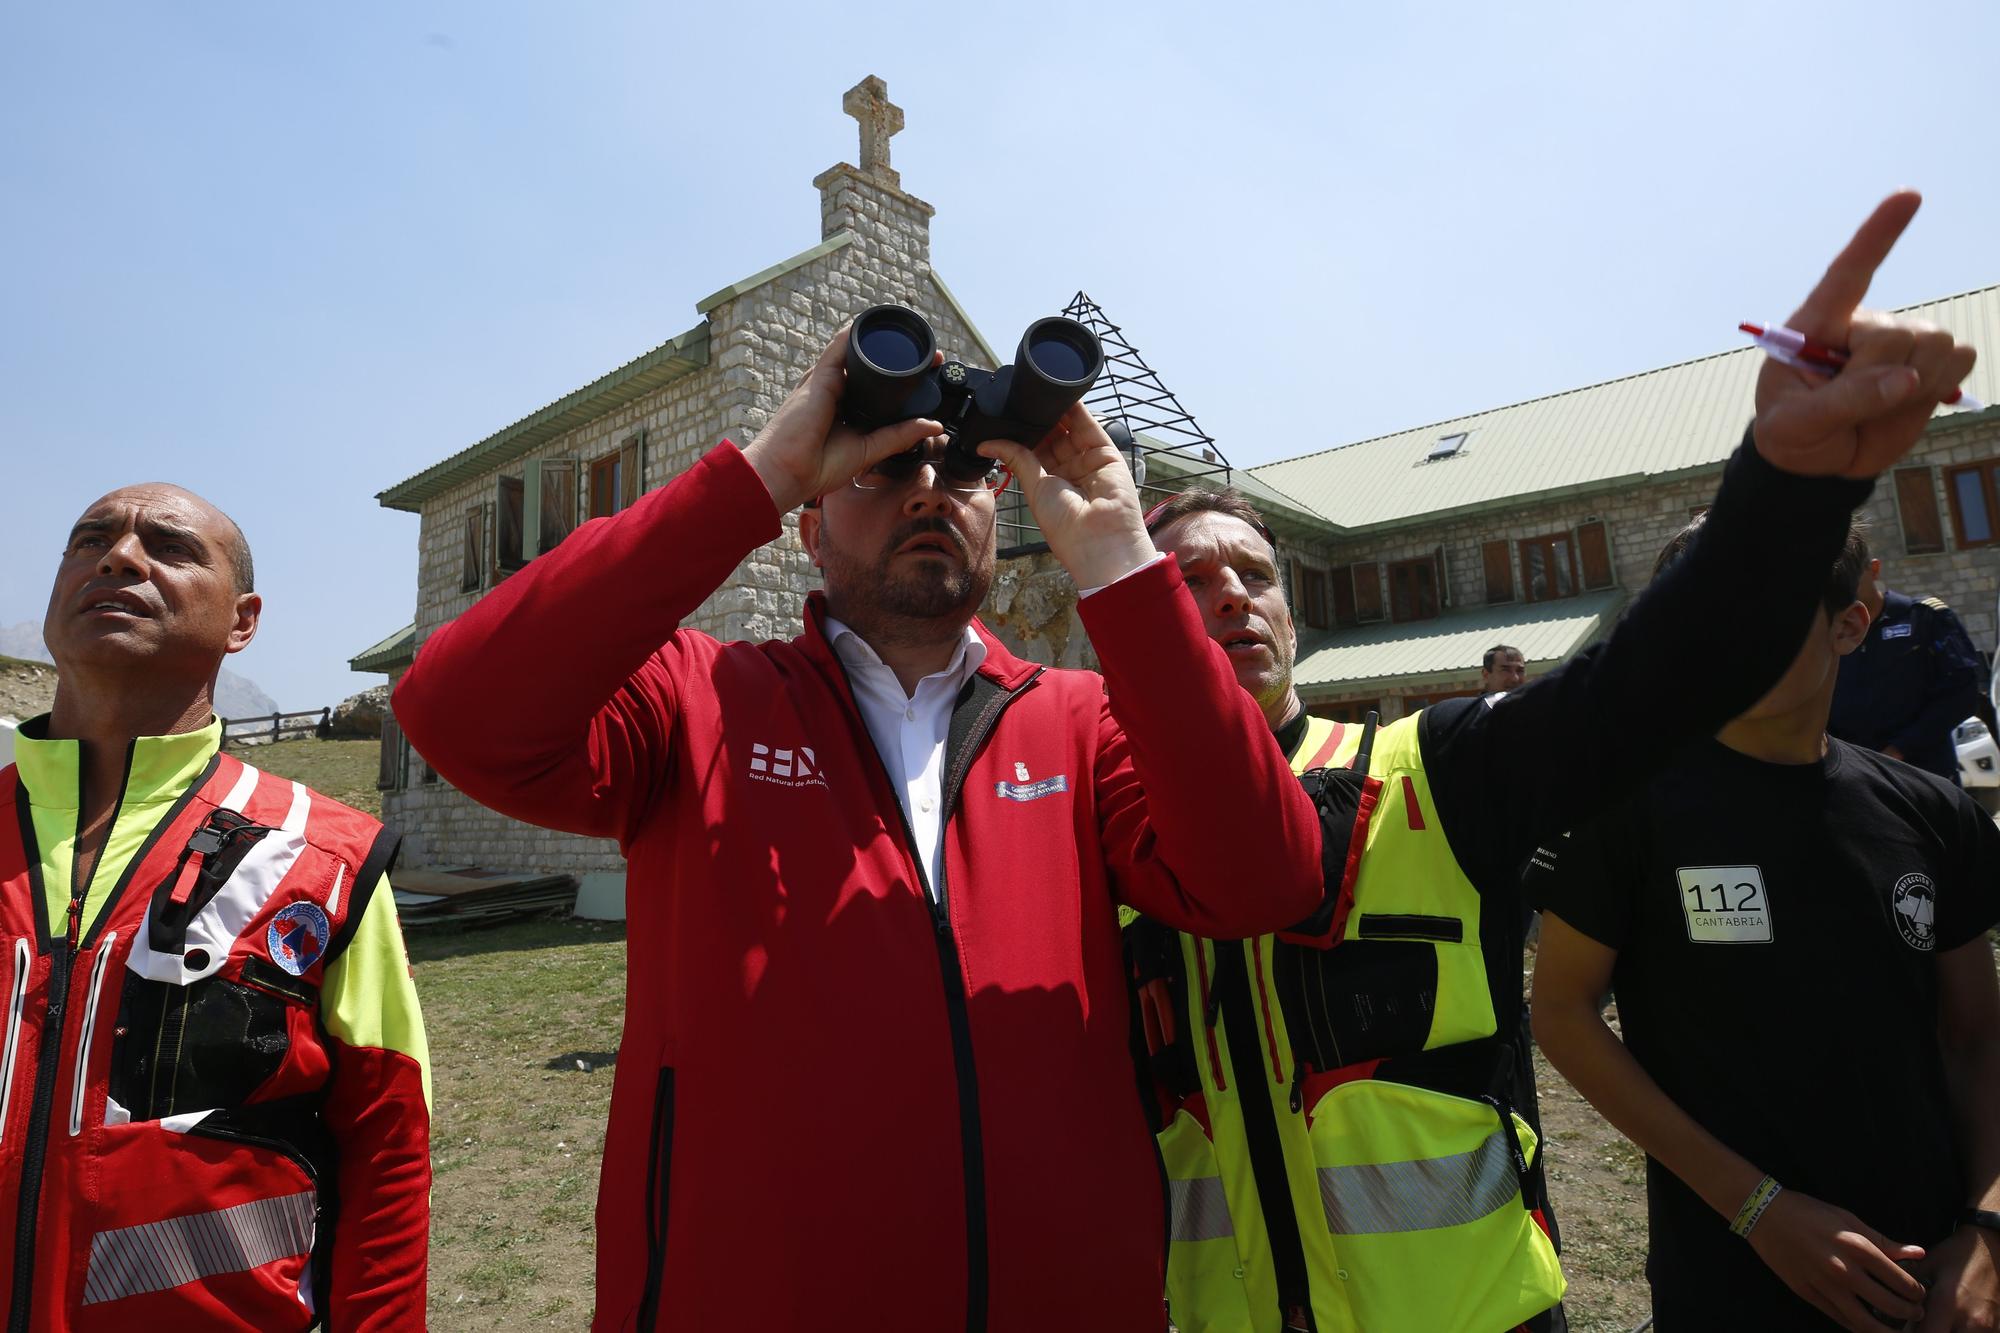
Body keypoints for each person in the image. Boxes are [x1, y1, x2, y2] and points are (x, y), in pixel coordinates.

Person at [1124, 188, 1981, 1333]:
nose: (1230, 591)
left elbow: (1649, 681)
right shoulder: (1093, 818)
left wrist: (1782, 491)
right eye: (1184, 579)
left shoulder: (1426, 772)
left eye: (1256, 572)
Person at [391, 326, 1325, 1331]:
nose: (928, 490)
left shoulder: (1080, 722)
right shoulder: (698, 702)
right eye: (882, 469)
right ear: (805, 523)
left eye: (961, 469)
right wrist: (753, 479)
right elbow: (455, 711)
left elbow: (1261, 879)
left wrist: (1118, 561)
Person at [1529, 518, 2000, 1333]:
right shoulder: (1625, 809)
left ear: (1848, 623)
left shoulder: (1931, 812)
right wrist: (1759, 1209)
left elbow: (1977, 1039)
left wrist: (1988, 1229)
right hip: (1728, 1281)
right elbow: (1563, 1012)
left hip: (1934, 1286)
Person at [0, 484, 431, 1332]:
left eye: (168, 545)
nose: (118, 556)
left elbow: (387, 1143)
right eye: (88, 541)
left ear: (243, 621)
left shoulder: (325, 859)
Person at [1828, 560, 1991, 782]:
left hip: (1924, 773)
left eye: (1850, 574)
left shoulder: (1924, 618)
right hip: (1858, 776)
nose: (1844, 585)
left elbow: (1962, 693)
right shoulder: (1830, 635)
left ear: (1874, 570)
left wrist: (1899, 750)